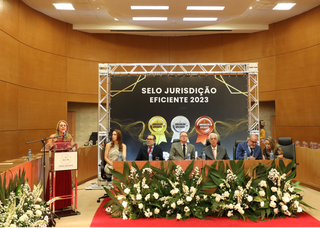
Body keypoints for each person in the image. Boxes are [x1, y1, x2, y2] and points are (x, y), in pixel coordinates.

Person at [45, 120, 75, 210]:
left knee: (65, 182)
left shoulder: (69, 137)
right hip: (56, 163)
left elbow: (73, 146)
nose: (63, 127)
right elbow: (46, 148)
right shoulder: (53, 137)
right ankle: (57, 204)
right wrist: (51, 145)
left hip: (66, 163)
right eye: (61, 125)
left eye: (64, 125)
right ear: (58, 127)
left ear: (67, 127)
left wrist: (71, 147)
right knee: (57, 183)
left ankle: (65, 203)